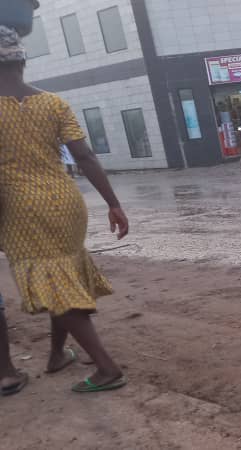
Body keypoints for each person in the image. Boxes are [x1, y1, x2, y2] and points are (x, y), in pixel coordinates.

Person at [0, 25, 129, 394]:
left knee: (54, 285)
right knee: (61, 275)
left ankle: (107, 369)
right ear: (22, 63)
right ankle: (57, 354)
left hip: (22, 209)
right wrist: (114, 204)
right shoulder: (54, 102)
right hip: (67, 202)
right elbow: (85, 156)